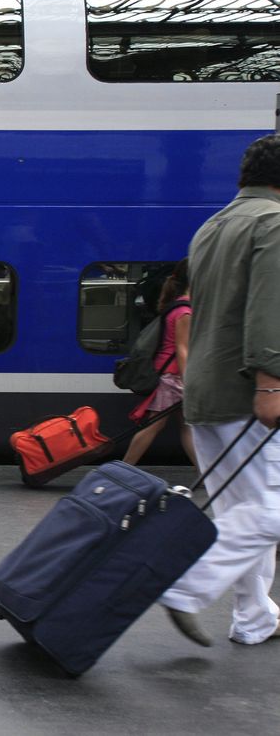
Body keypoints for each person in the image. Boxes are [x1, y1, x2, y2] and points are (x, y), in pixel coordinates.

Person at [159, 133, 280, 648]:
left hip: (205, 387)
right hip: (246, 389)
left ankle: (254, 618)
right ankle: (187, 586)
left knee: (242, 512)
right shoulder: (272, 223)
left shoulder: (213, 225)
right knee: (271, 510)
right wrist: (271, 382)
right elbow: (268, 308)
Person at [122, 258, 195, 466]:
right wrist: (188, 383)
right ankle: (122, 468)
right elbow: (182, 350)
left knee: (183, 427)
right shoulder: (184, 312)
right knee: (154, 425)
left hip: (169, 375)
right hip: (172, 378)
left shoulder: (176, 307)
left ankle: (205, 476)